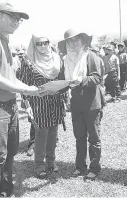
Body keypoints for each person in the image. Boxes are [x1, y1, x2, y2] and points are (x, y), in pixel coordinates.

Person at [0, 2, 39, 197]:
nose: (16, 22)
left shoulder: (2, 40)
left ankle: (6, 193)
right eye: (12, 17)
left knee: (9, 154)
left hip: (9, 105)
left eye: (18, 19)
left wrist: (27, 91)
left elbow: (9, 77)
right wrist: (26, 89)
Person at [58, 29, 105, 180]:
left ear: (83, 40)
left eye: (77, 39)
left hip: (92, 103)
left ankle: (95, 168)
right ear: (66, 44)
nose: (74, 42)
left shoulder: (90, 55)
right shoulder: (65, 60)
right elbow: (63, 82)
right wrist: (55, 88)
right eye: (70, 40)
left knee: (94, 137)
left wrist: (82, 80)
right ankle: (80, 166)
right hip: (76, 104)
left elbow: (97, 78)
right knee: (79, 137)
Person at [17, 34, 66, 179]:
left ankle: (51, 162)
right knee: (41, 134)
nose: (43, 46)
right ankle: (39, 164)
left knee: (53, 134)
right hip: (39, 103)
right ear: (34, 45)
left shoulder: (56, 58)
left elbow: (62, 80)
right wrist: (26, 104)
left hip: (56, 102)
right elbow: (23, 84)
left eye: (45, 43)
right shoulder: (28, 61)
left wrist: (63, 91)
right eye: (39, 44)